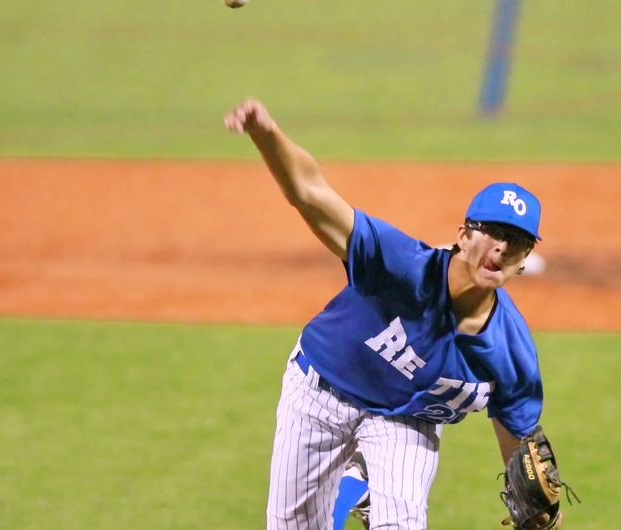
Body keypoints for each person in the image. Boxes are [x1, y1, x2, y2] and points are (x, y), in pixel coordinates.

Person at [225, 98, 548, 530]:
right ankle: (358, 484)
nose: (502, 247)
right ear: (463, 235)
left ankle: (363, 483)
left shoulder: (511, 348)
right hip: (321, 389)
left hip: (405, 419)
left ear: (524, 260)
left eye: (517, 242)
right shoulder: (402, 265)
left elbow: (518, 431)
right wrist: (265, 133)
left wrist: (536, 513)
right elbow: (309, 193)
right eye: (492, 231)